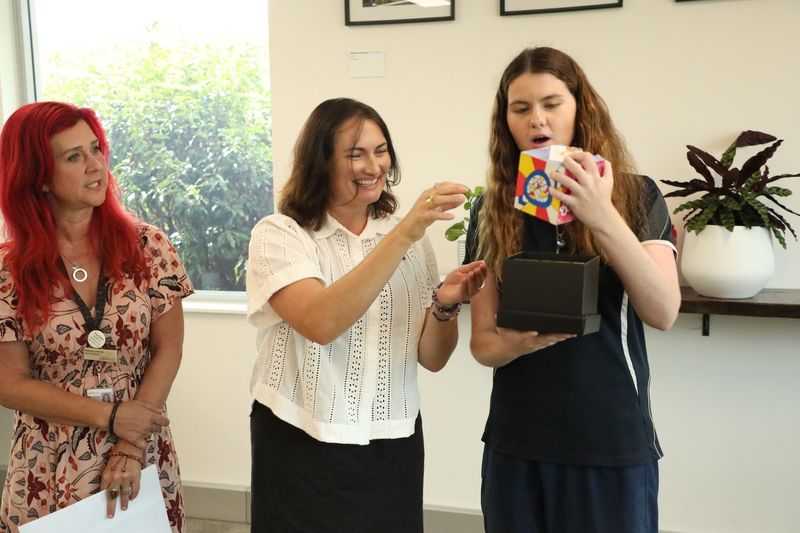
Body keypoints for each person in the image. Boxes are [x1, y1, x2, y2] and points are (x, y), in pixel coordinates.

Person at [464, 47, 681, 533]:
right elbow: (483, 344)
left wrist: (601, 216)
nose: (537, 120)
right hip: (517, 442)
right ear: (505, 121)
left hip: (610, 439)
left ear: (581, 108)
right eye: (521, 108)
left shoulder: (636, 194)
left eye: (551, 103)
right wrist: (520, 342)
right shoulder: (491, 210)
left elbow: (663, 311)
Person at [246, 97, 487, 533]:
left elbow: (432, 358)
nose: (372, 166)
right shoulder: (280, 234)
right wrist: (406, 231)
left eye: (380, 151)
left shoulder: (408, 239)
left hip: (392, 442)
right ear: (320, 161)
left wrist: (445, 305)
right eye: (355, 154)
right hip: (300, 437)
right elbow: (321, 323)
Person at [0, 102, 193, 532]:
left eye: (96, 149)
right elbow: (9, 383)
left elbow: (169, 349)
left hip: (138, 448)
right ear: (39, 177)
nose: (95, 166)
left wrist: (129, 441)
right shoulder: (9, 271)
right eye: (74, 157)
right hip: (49, 462)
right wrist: (109, 416)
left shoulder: (148, 246)